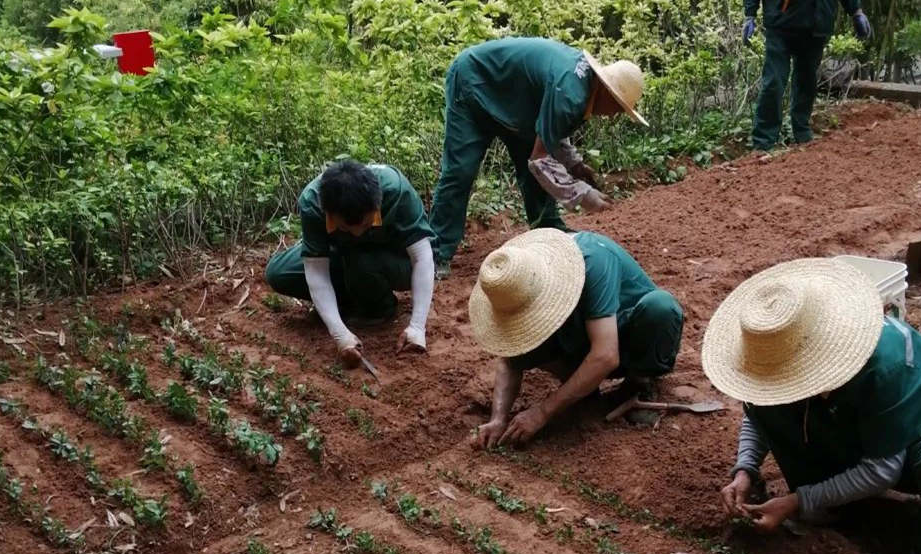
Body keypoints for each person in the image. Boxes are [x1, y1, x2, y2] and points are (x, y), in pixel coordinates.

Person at [702, 257, 921, 554]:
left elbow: (884, 468)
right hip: (848, 430)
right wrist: (745, 470)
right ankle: (834, 504)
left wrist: (796, 502)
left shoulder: (887, 364)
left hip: (914, 441)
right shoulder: (782, 351)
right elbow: (759, 412)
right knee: (785, 407)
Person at [429, 37, 649, 271]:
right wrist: (582, 194)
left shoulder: (581, 85)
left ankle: (548, 230)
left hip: (513, 102)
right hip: (474, 82)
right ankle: (436, 253)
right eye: (618, 107)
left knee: (530, 164)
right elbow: (540, 159)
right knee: (461, 170)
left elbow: (551, 128)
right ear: (607, 92)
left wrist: (575, 165)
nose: (614, 115)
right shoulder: (572, 94)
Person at [468, 228, 684, 448]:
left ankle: (640, 382)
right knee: (529, 340)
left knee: (661, 307)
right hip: (583, 338)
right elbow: (509, 359)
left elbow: (606, 355)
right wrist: (498, 418)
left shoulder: (593, 261)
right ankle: (584, 390)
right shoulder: (519, 281)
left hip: (627, 336)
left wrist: (542, 412)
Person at [265, 160, 436, 368]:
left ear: (376, 205)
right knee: (279, 273)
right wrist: (339, 334)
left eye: (365, 224)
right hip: (344, 255)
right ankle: (348, 299)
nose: (357, 233)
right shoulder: (312, 203)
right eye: (345, 228)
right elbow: (315, 269)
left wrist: (417, 326)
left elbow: (422, 257)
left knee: (361, 260)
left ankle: (379, 308)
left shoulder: (396, 190)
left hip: (397, 263)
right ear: (328, 213)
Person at [742, 0, 871, 151]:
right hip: (780, 23)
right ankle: (763, 142)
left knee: (807, 82)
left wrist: (856, 11)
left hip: (817, 23)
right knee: (774, 82)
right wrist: (749, 15)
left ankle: (802, 133)